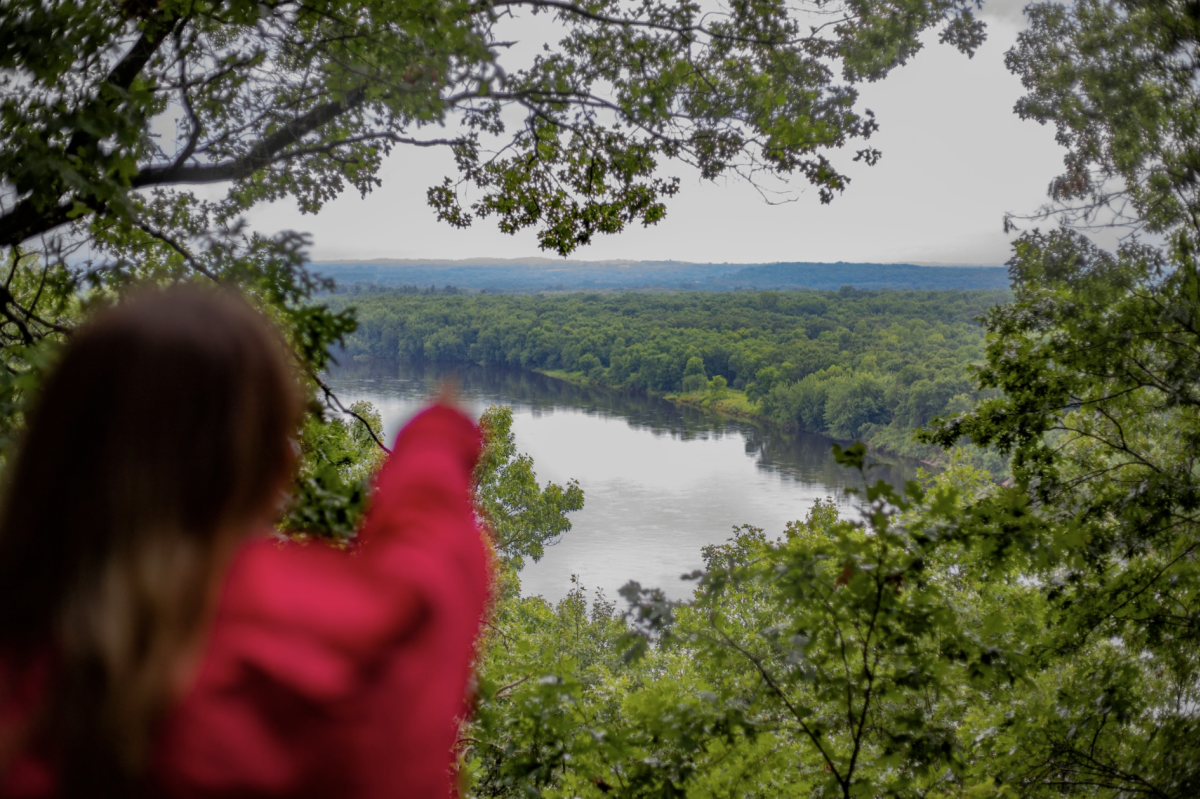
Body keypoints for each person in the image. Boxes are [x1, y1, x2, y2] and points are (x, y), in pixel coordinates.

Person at [0, 288, 490, 798]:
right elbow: (426, 590)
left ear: (52, 456)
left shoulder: (25, 674)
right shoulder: (306, 673)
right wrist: (438, 440)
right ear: (274, 473)